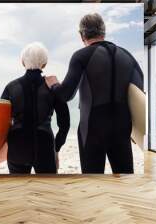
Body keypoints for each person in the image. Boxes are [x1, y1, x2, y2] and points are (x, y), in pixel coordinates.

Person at [45, 13, 144, 174]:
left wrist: (54, 84)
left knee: (92, 182)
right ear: (103, 31)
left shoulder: (81, 56)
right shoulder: (127, 55)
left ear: (81, 35)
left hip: (92, 128)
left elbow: (65, 95)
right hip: (122, 127)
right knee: (125, 179)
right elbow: (140, 92)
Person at [1, 42, 70, 174]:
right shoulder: (52, 86)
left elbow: (0, 121)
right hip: (45, 147)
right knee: (47, 192)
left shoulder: (11, 87)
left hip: (18, 147)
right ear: (44, 64)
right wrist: (57, 147)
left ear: (22, 62)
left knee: (19, 191)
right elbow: (65, 123)